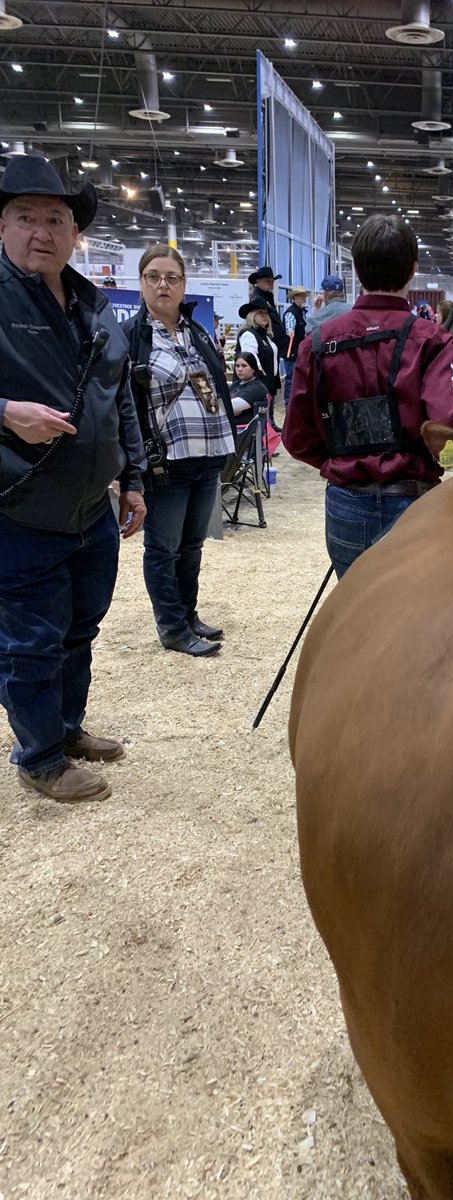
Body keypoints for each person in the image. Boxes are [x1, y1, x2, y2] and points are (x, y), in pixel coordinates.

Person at [0, 154, 146, 803]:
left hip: (91, 509)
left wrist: (134, 477)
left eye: (55, 218)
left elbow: (121, 400)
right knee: (32, 641)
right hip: (20, 508)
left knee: (80, 629)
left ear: (74, 231)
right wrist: (4, 412)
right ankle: (39, 759)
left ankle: (64, 727)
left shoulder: (92, 303)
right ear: (3, 227)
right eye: (25, 217)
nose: (42, 231)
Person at [283, 213, 453, 578]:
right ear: (413, 269)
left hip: (346, 502)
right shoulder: (432, 341)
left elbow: (296, 436)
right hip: (414, 500)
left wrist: (340, 464)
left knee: (357, 613)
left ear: (356, 269)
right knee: (415, 618)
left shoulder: (318, 344)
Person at [124, 244, 236, 657]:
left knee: (192, 545)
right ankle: (171, 626)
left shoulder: (197, 332)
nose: (163, 285)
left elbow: (218, 389)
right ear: (141, 284)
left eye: (172, 277)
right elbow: (126, 407)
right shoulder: (132, 339)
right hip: (164, 463)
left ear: (184, 284)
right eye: (153, 276)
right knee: (163, 547)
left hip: (208, 455)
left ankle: (188, 615)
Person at [237, 299, 281, 404]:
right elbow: (250, 357)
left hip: (268, 384)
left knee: (268, 418)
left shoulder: (265, 335)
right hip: (258, 386)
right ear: (252, 315)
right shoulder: (249, 334)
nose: (264, 316)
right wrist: (261, 375)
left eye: (266, 313)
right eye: (260, 313)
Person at [247, 266, 288, 357]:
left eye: (272, 281)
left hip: (272, 345)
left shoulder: (267, 297)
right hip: (266, 346)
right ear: (258, 282)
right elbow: (259, 323)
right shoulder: (257, 299)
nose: (271, 283)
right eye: (267, 281)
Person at [305, 273, 351, 338]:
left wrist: (315, 308)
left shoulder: (318, 316)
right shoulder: (353, 309)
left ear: (324, 293)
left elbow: (308, 335)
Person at [282, 286, 308, 400]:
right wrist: (290, 331)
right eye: (301, 296)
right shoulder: (291, 313)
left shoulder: (301, 312)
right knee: (291, 379)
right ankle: (288, 404)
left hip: (298, 350)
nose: (304, 298)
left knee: (294, 378)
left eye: (304, 296)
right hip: (292, 351)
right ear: (295, 297)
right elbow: (289, 329)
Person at [230, 352, 270, 424]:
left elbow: (230, 407)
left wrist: (228, 411)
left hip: (246, 432)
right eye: (237, 366)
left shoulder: (257, 388)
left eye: (244, 366)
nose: (240, 369)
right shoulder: (236, 384)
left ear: (253, 368)